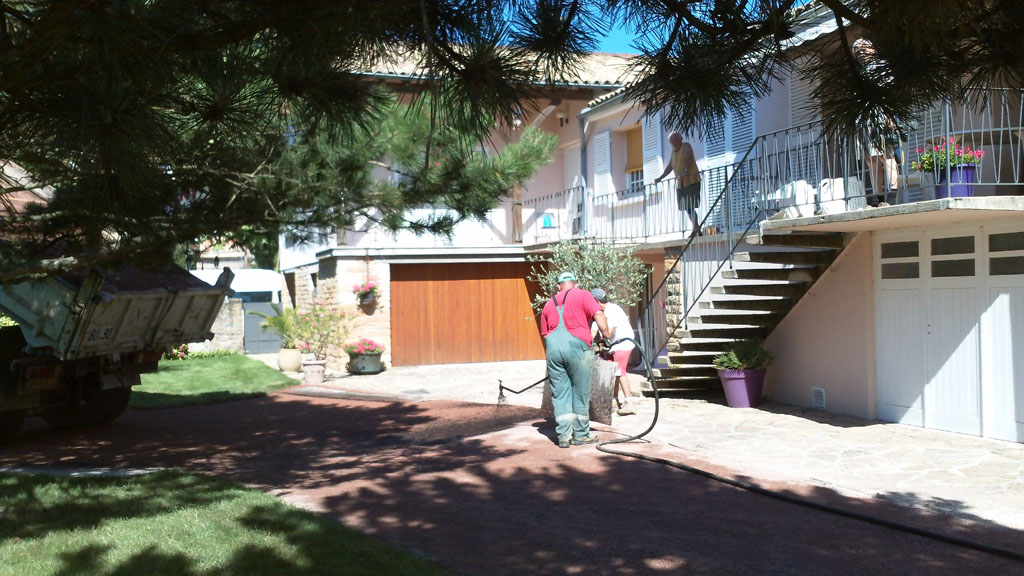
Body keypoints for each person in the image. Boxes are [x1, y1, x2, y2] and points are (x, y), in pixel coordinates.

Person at [540, 271, 613, 448]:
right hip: (578, 347)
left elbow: (544, 334)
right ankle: (580, 434)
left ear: (558, 286)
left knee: (560, 394)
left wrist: (556, 350)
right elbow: (598, 314)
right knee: (580, 392)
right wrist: (607, 335)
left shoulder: (548, 304)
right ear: (576, 284)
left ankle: (564, 436)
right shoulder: (583, 295)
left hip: (553, 351)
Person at [853, 38, 901, 206]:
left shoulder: (881, 66)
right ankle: (877, 198)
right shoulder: (859, 72)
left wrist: (890, 115)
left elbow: (890, 93)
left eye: (864, 48)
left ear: (873, 49)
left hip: (880, 119)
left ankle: (892, 197)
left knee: (886, 157)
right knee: (870, 160)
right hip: (863, 121)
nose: (861, 53)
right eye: (857, 51)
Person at [589, 288, 637, 416]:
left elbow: (608, 333)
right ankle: (614, 401)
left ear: (596, 300)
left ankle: (629, 402)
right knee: (611, 372)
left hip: (623, 343)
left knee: (619, 371)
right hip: (613, 345)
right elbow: (592, 333)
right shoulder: (598, 312)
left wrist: (599, 342)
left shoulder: (613, 310)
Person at [654, 131, 702, 240]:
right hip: (681, 184)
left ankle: (695, 228)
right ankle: (697, 228)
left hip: (692, 181)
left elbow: (689, 159)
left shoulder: (685, 146)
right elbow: (670, 167)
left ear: (680, 139)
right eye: (672, 141)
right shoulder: (673, 152)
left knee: (690, 206)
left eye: (676, 140)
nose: (674, 143)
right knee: (687, 208)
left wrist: (685, 171)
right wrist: (660, 178)